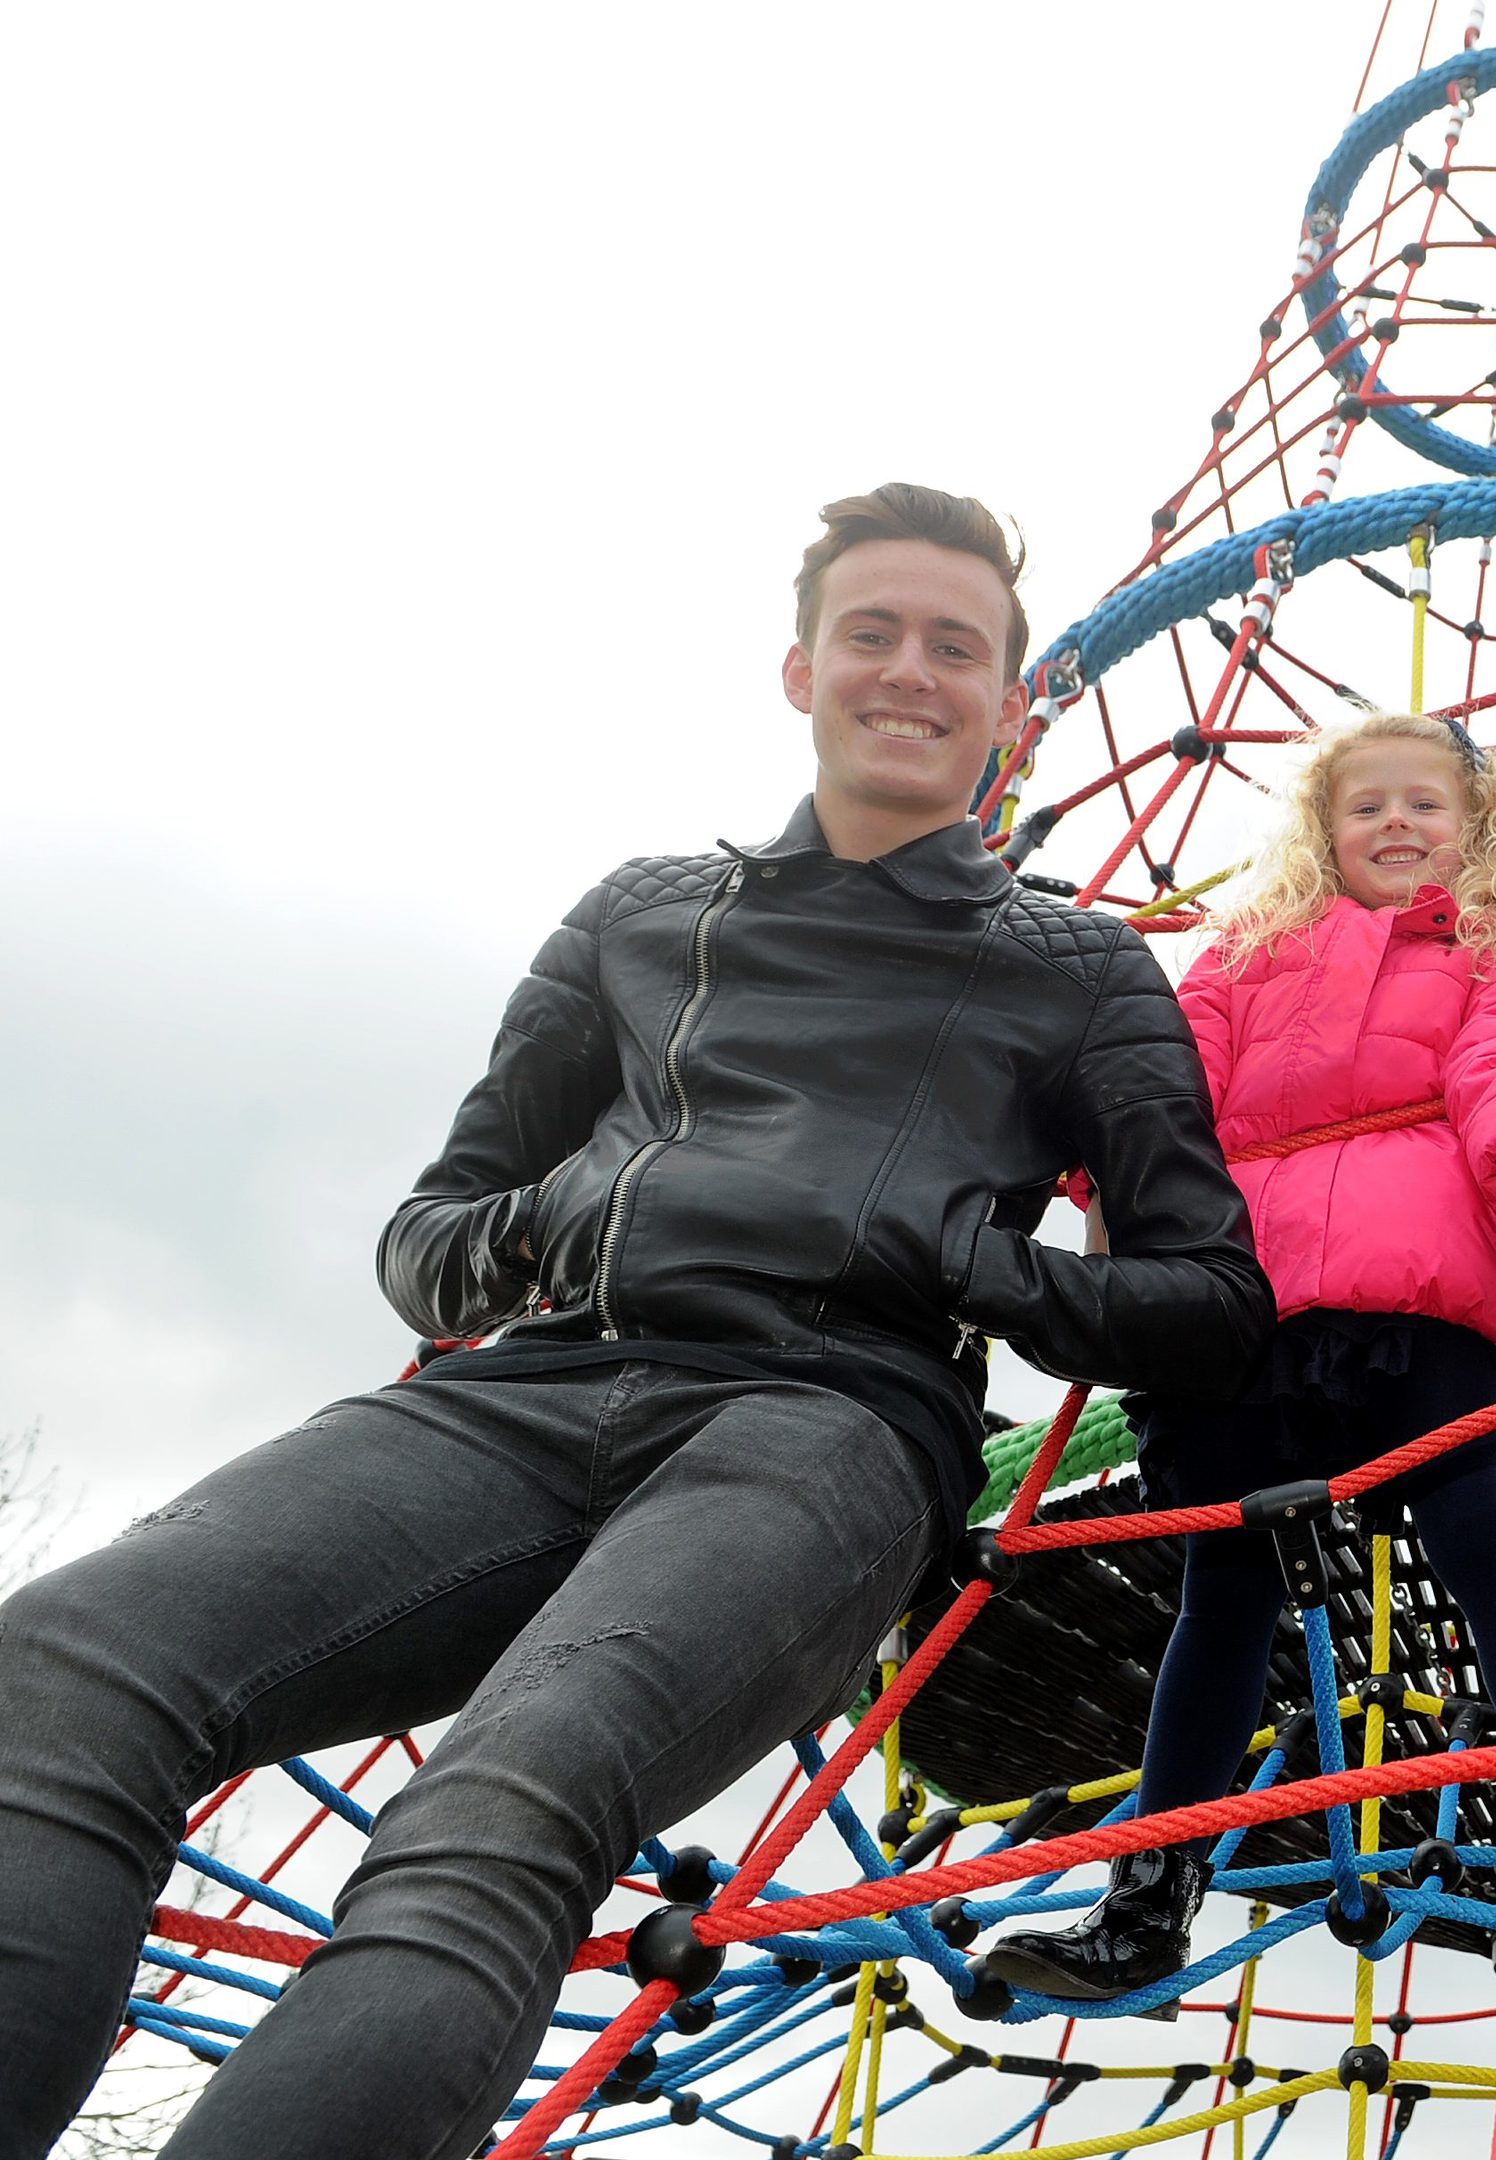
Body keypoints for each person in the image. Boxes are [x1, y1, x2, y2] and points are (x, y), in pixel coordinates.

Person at [0, 486, 1275, 2160]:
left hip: (823, 1428)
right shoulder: (644, 910)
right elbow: (429, 1234)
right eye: (872, 634)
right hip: (528, 1391)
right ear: (798, 669)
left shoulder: (1078, 970)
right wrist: (577, 1218)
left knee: (494, 1817)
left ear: (1007, 705)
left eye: (954, 647)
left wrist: (965, 1263)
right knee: (63, 1669)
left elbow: (1211, 1304)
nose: (910, 670)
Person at [975, 712, 1496, 1998]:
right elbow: (1156, 1085)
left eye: (1424, 806)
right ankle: (1148, 1899)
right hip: (1239, 1299)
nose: (1395, 825)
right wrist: (1112, 1213)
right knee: (1225, 1590)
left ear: (1473, 831)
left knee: (1488, 1540)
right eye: (1366, 804)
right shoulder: (1246, 955)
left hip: (1405, 1300)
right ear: (1322, 830)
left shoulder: (1489, 956)